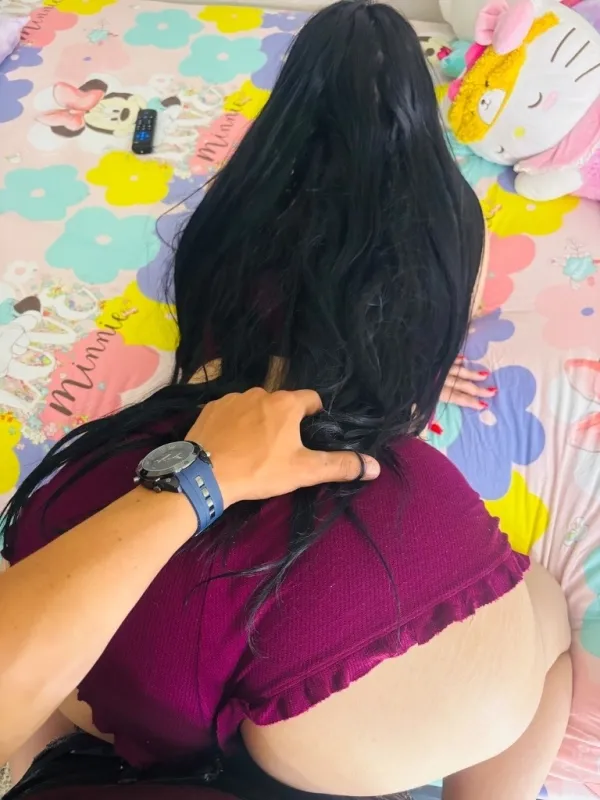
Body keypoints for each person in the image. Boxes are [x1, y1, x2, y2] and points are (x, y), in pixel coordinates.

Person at [1, 3, 570, 799]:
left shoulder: (229, 209)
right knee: (544, 616)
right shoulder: (457, 227)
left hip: (118, 623)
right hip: (356, 640)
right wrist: (402, 367)